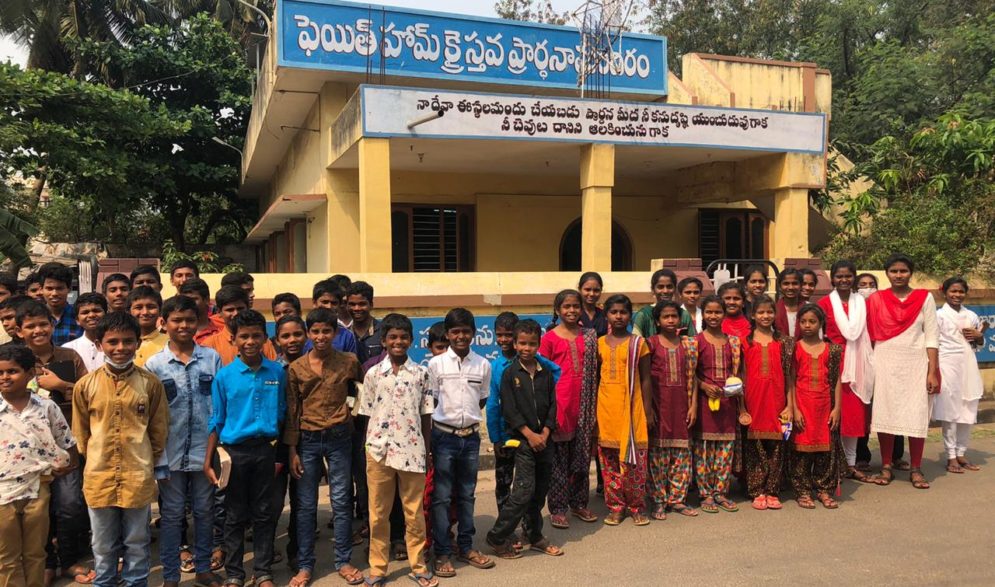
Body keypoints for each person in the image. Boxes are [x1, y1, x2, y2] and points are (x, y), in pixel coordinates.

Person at [73, 311, 169, 587]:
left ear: (138, 343)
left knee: (137, 542)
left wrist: (145, 460)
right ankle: (104, 583)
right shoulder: (86, 385)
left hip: (137, 476)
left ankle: (136, 582)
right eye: (112, 342)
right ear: (100, 344)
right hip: (99, 477)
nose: (120, 348)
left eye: (128, 341)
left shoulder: (149, 384)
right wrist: (94, 458)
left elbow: (158, 430)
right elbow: (81, 432)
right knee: (102, 543)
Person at [144, 296, 224, 587]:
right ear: (163, 324)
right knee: (173, 515)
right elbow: (153, 414)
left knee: (205, 511)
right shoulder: (155, 365)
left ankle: (203, 569)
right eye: (176, 320)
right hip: (171, 453)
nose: (184, 325)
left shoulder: (211, 358)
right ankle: (170, 576)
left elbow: (218, 406)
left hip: (205, 451)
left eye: (190, 319)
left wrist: (215, 450)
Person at [204, 310, 286, 587]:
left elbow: (283, 413)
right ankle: (235, 574)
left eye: (256, 336)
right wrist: (208, 461)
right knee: (234, 515)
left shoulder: (277, 372)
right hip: (235, 453)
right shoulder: (224, 377)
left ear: (265, 338)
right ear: (235, 340)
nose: (250, 341)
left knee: (265, 512)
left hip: (265, 450)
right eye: (244, 336)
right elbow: (216, 419)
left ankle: (262, 571)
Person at [285, 308, 364, 586]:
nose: (321, 336)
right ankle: (305, 565)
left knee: (342, 501)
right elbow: (293, 411)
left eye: (326, 331)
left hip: (340, 438)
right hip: (307, 439)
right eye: (315, 331)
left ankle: (343, 560)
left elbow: (361, 392)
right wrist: (292, 450)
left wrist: (352, 416)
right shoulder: (296, 368)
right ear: (308, 333)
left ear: (336, 333)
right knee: (306, 505)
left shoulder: (349, 361)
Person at [361, 313, 439, 587]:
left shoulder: (422, 374)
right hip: (379, 451)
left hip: (412, 451)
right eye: (392, 337)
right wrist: (368, 450)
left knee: (414, 512)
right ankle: (378, 569)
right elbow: (367, 414)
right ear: (383, 340)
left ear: (411, 340)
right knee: (378, 513)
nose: (398, 341)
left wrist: (427, 451)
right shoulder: (372, 374)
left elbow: (426, 416)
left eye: (403, 337)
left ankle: (418, 566)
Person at [17, 300, 92, 584]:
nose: (38, 330)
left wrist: (61, 386)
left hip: (65, 444)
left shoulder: (69, 356)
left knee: (70, 504)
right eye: (31, 326)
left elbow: (88, 396)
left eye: (43, 324)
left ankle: (69, 559)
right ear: (20, 331)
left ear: (52, 325)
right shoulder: (14, 359)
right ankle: (48, 561)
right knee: (40, 507)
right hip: (28, 448)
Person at [0, 345, 78, 587]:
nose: (4, 377)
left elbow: (67, 443)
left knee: (35, 553)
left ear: (30, 374)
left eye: (12, 371)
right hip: (2, 493)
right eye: (0, 372)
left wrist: (68, 464)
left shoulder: (46, 407)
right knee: (6, 557)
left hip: (37, 489)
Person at [486, 319, 563, 559]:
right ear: (515, 344)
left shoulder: (546, 373)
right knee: (523, 490)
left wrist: (546, 433)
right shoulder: (510, 373)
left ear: (539, 345)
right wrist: (530, 435)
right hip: (523, 442)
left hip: (545, 440)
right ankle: (498, 537)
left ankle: (534, 534)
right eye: (522, 343)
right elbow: (509, 411)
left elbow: (553, 406)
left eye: (531, 344)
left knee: (540, 491)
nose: (526, 348)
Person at [428, 308, 494, 578]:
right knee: (442, 496)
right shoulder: (435, 365)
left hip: (470, 438)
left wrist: (466, 422)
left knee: (467, 494)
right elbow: (431, 401)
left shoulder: (483, 365)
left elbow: (482, 399)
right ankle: (442, 551)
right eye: (455, 331)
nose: (461, 336)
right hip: (443, 437)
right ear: (447, 334)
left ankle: (466, 547)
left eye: (466, 331)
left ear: (474, 334)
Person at [866, 254, 939, 489]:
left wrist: (932, 371)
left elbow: (932, 336)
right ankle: (886, 465)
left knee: (916, 413)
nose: (899, 275)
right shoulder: (876, 299)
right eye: (894, 271)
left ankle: (916, 467)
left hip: (916, 364)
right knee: (885, 413)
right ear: (886, 273)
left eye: (903, 271)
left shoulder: (924, 298)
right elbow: (866, 334)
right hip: (885, 362)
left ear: (911, 273)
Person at [539, 291, 597, 529]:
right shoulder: (549, 338)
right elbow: (543, 376)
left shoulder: (590, 335)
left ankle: (579, 502)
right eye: (567, 307)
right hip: (560, 403)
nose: (572, 311)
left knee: (582, 457)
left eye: (576, 306)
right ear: (557, 310)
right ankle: (559, 508)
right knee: (559, 460)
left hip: (584, 402)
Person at [817, 261, 875, 483]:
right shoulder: (824, 303)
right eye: (839, 276)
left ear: (854, 278)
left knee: (853, 416)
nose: (843, 280)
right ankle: (833, 463)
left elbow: (870, 332)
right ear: (832, 279)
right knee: (832, 415)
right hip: (833, 364)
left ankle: (850, 464)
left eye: (848, 276)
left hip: (858, 364)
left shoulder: (863, 304)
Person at [597, 294, 652, 526]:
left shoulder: (639, 343)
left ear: (630, 315)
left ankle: (637, 506)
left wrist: (648, 411)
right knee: (609, 465)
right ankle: (616, 507)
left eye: (623, 312)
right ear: (606, 315)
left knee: (635, 463)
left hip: (633, 408)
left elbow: (647, 379)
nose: (619, 316)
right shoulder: (599, 343)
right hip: (606, 409)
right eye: (614, 312)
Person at [646, 301, 699, 519]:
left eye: (674, 316)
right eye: (665, 317)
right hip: (660, 406)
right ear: (657, 321)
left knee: (681, 455)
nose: (670, 320)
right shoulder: (650, 344)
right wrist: (649, 410)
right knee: (658, 457)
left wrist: (694, 405)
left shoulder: (689, 345)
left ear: (680, 319)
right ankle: (658, 500)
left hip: (682, 407)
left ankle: (677, 499)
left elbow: (694, 376)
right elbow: (645, 378)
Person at [790, 304, 845, 509]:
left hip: (825, 406)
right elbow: (791, 380)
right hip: (802, 405)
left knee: (825, 450)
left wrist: (837, 408)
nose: (807, 325)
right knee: (801, 451)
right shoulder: (794, 348)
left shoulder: (832, 349)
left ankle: (823, 489)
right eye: (803, 321)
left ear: (821, 323)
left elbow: (836, 380)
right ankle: (803, 491)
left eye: (812, 321)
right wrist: (794, 409)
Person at [693, 295, 744, 514]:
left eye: (717, 312)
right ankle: (705, 493)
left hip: (728, 404)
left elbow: (738, 374)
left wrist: (735, 395)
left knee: (725, 450)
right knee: (704, 451)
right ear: (703, 314)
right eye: (709, 312)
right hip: (705, 404)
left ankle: (721, 492)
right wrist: (703, 386)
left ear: (724, 314)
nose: (713, 316)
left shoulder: (733, 342)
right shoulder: (694, 341)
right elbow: (689, 375)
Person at [741, 295, 792, 511]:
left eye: (769, 312)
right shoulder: (744, 341)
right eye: (760, 312)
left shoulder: (784, 342)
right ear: (753, 315)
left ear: (775, 314)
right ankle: (757, 490)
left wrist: (790, 405)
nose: (765, 316)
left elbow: (790, 376)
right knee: (755, 448)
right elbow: (740, 376)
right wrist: (742, 407)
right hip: (753, 402)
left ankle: (772, 490)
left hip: (777, 402)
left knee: (777, 448)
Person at [933, 277, 986, 474]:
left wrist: (980, 337)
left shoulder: (971, 315)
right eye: (953, 291)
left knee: (968, 407)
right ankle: (950, 456)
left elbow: (977, 343)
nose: (957, 295)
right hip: (947, 364)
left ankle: (961, 452)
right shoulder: (938, 316)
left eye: (960, 292)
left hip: (968, 364)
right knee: (950, 410)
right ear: (944, 293)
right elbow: (933, 343)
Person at [270, 315, 307, 570]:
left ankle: (297, 552)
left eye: (297, 334)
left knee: (302, 502)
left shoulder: (314, 366)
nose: (292, 340)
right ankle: (266, 551)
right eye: (286, 336)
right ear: (276, 340)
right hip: (275, 445)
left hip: (306, 444)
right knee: (271, 502)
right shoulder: (272, 370)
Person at [202, 286, 277, 365]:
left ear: (248, 308)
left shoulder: (263, 342)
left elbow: (273, 370)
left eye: (240, 308)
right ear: (219, 312)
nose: (236, 314)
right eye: (230, 310)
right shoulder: (209, 345)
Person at [633, 269, 692, 338]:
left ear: (675, 289)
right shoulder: (644, 314)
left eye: (669, 287)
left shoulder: (683, 314)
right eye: (660, 287)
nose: (665, 291)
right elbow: (636, 343)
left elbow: (693, 342)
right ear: (653, 289)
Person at [62, 292, 108, 372]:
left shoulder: (117, 346)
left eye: (96, 310)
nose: (91, 315)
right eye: (85, 312)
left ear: (106, 315)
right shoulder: (68, 349)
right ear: (77, 320)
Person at [37, 263, 81, 346]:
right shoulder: (34, 317)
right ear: (41, 289)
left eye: (59, 288)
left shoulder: (79, 315)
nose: (54, 293)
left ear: (69, 289)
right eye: (49, 288)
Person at [312, 279, 360, 355]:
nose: (329, 306)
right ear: (314, 303)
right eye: (325, 302)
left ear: (340, 304)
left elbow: (351, 364)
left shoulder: (346, 336)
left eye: (334, 303)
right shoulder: (302, 331)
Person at [129, 287, 168, 367]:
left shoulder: (170, 343)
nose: (145, 312)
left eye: (151, 307)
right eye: (138, 308)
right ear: (129, 311)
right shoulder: (122, 342)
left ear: (160, 310)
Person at [179, 279, 221, 344]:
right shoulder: (173, 332)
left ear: (207, 299)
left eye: (194, 299)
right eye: (185, 300)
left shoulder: (221, 330)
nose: (189, 304)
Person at [773, 269, 803, 338]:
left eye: (795, 283)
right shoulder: (773, 310)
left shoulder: (808, 308)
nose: (790, 287)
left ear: (801, 285)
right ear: (780, 286)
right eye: (786, 283)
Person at [577, 272, 608, 336]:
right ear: (579, 289)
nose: (592, 294)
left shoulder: (605, 316)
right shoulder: (573, 314)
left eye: (596, 290)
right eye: (587, 290)